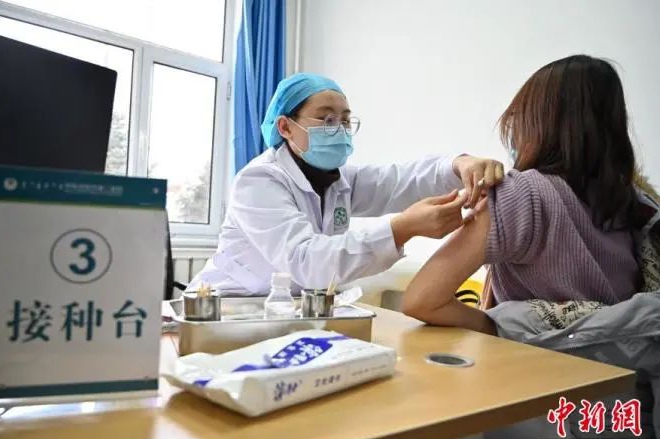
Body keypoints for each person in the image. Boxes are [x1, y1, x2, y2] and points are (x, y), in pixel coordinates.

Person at [188, 72, 504, 295]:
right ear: (285, 126)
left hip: (289, 310)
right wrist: (403, 228)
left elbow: (399, 180)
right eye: (326, 119)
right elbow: (306, 261)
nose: (339, 128)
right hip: (227, 307)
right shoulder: (259, 181)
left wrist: (459, 164)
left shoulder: (340, 179)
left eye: (344, 120)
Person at [402, 55, 640, 333]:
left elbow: (421, 300)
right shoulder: (633, 201)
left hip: (540, 368)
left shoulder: (520, 193)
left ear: (540, 122)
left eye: (519, 116)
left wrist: (501, 327)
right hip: (623, 369)